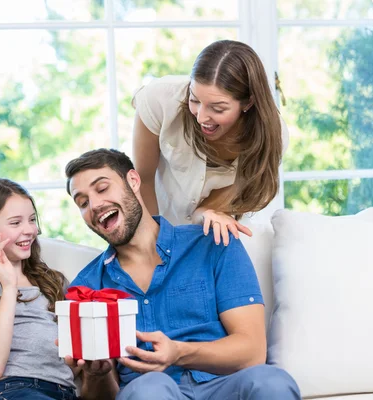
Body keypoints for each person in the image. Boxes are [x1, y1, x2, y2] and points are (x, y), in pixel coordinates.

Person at [64, 149, 300, 400]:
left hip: (223, 387)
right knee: (151, 387)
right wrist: (97, 375)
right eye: (83, 202)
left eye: (102, 189)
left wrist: (178, 352)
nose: (95, 205)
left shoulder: (213, 242)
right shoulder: (86, 287)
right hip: (147, 392)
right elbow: (101, 395)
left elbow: (252, 351)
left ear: (133, 181)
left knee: (272, 382)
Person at [132, 39, 289, 245]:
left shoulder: (270, 138)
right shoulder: (160, 98)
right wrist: (154, 244)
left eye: (218, 108)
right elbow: (142, 180)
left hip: (211, 236)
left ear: (248, 102)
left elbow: (207, 212)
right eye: (195, 100)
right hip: (156, 225)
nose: (201, 117)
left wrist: (207, 216)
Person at [0, 178, 77, 400]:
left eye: (32, 220)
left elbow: (72, 359)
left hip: (66, 391)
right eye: (15, 223)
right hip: (20, 389)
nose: (30, 230)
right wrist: (10, 287)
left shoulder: (51, 281)